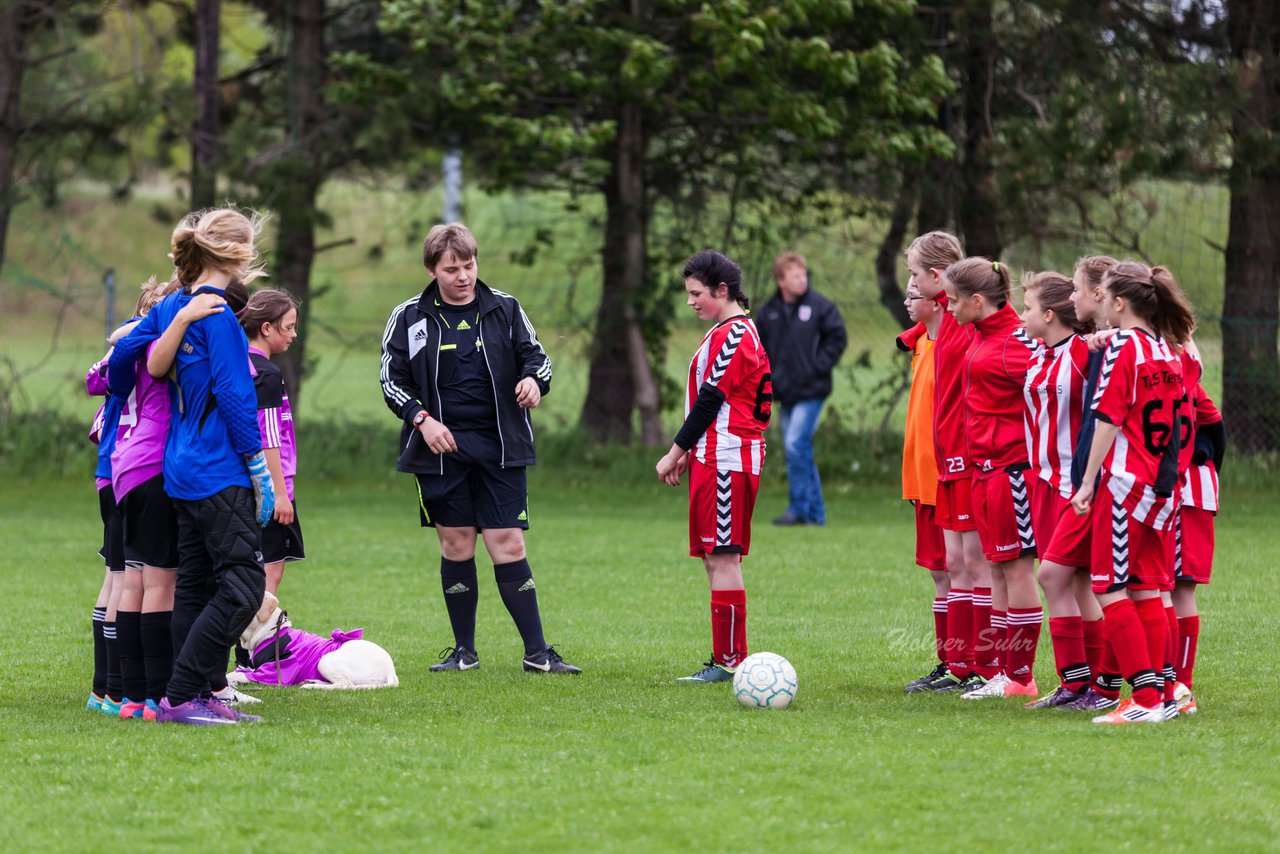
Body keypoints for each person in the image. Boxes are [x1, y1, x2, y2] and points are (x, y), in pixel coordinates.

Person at [379, 222, 579, 674]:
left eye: (468, 266)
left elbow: (538, 358)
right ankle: (464, 652)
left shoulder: (505, 309)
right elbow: (391, 381)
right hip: (440, 448)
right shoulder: (409, 316)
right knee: (456, 545)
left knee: (507, 543)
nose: (462, 276)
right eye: (451, 269)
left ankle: (538, 653)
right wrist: (422, 421)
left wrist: (534, 382)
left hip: (501, 447)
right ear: (432, 270)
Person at [109, 207, 275, 726]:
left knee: (198, 584)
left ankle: (195, 691)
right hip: (217, 469)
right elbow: (233, 395)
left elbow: (136, 359)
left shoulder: (176, 305)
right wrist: (258, 466)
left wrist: (166, 323)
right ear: (240, 255)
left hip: (178, 469)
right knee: (246, 585)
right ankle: (184, 694)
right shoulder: (221, 316)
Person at [1070, 260, 1197, 725]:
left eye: (1102, 295)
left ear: (1120, 303)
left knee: (1109, 588)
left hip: (1125, 485)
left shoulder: (1126, 348)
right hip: (1162, 487)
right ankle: (1165, 691)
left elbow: (1108, 416)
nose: (1099, 303)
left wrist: (1088, 481)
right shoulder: (1167, 350)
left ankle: (1145, 700)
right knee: (1146, 590)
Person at [656, 250, 771, 682]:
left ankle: (729, 661)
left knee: (723, 557)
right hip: (712, 456)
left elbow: (711, 400)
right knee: (714, 557)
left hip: (728, 459)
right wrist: (688, 452)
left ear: (723, 291)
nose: (690, 301)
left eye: (697, 293)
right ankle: (727, 658)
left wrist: (674, 451)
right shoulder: (723, 331)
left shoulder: (736, 334)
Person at [940, 258, 1041, 700]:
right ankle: (1003, 671)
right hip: (985, 471)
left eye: (955, 300)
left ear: (977, 301)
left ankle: (1022, 676)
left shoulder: (1018, 342)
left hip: (1012, 471)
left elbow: (1053, 396)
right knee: (998, 571)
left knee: (1017, 570)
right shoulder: (981, 335)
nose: (949, 307)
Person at [905, 232, 996, 692]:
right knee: (953, 567)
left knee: (973, 566)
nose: (910, 286)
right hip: (940, 466)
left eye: (914, 276)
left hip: (967, 464)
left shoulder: (966, 329)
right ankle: (959, 664)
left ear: (937, 280)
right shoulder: (933, 330)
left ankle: (983, 664)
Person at [1017, 270, 1108, 709]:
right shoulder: (1038, 354)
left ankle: (1092, 683)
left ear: (1050, 314)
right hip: (1041, 483)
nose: (1022, 314)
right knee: (1071, 582)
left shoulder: (1083, 352)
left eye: (1029, 307)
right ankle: (1079, 685)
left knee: (1058, 578)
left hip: (1075, 485)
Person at [755, 252, 846, 526]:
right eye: (795, 276)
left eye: (804, 275)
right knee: (797, 448)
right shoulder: (768, 312)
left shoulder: (820, 307)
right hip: (784, 391)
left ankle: (801, 510)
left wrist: (818, 366)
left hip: (812, 389)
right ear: (781, 280)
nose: (801, 280)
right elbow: (760, 350)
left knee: (796, 444)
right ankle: (812, 513)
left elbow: (837, 337)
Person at [897, 283, 950, 692]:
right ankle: (951, 661)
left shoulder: (952, 341)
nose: (906, 299)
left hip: (946, 476)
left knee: (960, 571)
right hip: (922, 476)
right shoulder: (921, 340)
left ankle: (971, 663)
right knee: (940, 572)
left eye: (914, 286)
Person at [239, 288, 304, 596]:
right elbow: (268, 439)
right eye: (288, 327)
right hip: (269, 488)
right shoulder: (265, 372)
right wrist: (279, 493)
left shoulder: (237, 364)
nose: (293, 334)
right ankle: (254, 645)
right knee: (269, 572)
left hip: (244, 484)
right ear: (266, 328)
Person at [1172, 378, 1225, 715]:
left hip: (1187, 490)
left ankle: (1180, 684)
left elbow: (1214, 424)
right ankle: (1162, 680)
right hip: (1164, 488)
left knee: (1178, 585)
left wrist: (1200, 453)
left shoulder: (1177, 367)